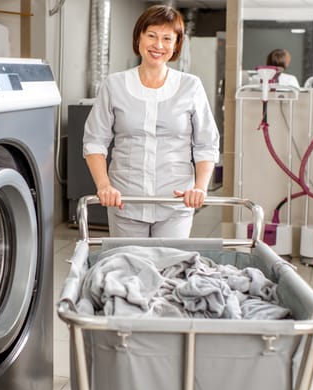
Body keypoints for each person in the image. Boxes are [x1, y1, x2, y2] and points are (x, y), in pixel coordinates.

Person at [82, 4, 219, 238]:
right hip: (125, 201)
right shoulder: (114, 85)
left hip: (175, 202)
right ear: (139, 38)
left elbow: (207, 144)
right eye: (152, 36)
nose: (158, 45)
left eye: (167, 38)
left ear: (176, 45)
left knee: (168, 269)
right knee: (128, 269)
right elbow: (94, 142)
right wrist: (104, 185)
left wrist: (200, 188)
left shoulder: (191, 86)